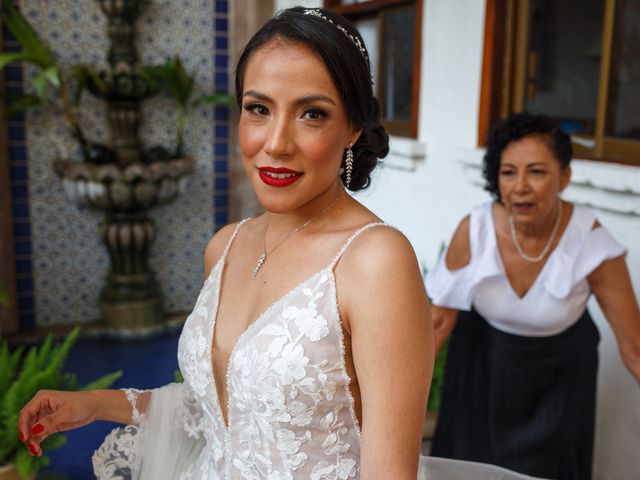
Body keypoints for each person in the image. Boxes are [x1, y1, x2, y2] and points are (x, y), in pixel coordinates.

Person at [16, 8, 552, 480]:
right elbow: (222, 416)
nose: (275, 143)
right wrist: (93, 404)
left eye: (312, 113)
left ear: (352, 131)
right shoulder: (225, 247)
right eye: (259, 108)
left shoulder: (374, 262)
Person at [426, 112, 640, 480]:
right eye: (508, 172)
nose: (520, 186)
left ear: (565, 176)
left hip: (559, 381)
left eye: (537, 172)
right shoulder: (475, 229)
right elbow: (437, 323)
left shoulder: (591, 242)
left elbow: (635, 350)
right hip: (479, 369)